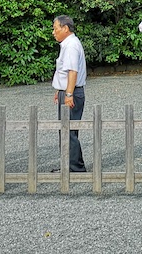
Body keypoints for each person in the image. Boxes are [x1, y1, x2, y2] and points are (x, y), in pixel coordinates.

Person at [52, 15, 87, 172]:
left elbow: (73, 71)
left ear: (65, 28)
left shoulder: (71, 45)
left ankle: (75, 167)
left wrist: (68, 94)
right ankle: (70, 164)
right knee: (66, 129)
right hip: (67, 90)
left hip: (71, 91)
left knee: (69, 130)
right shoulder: (68, 44)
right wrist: (60, 90)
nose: (54, 32)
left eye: (56, 28)